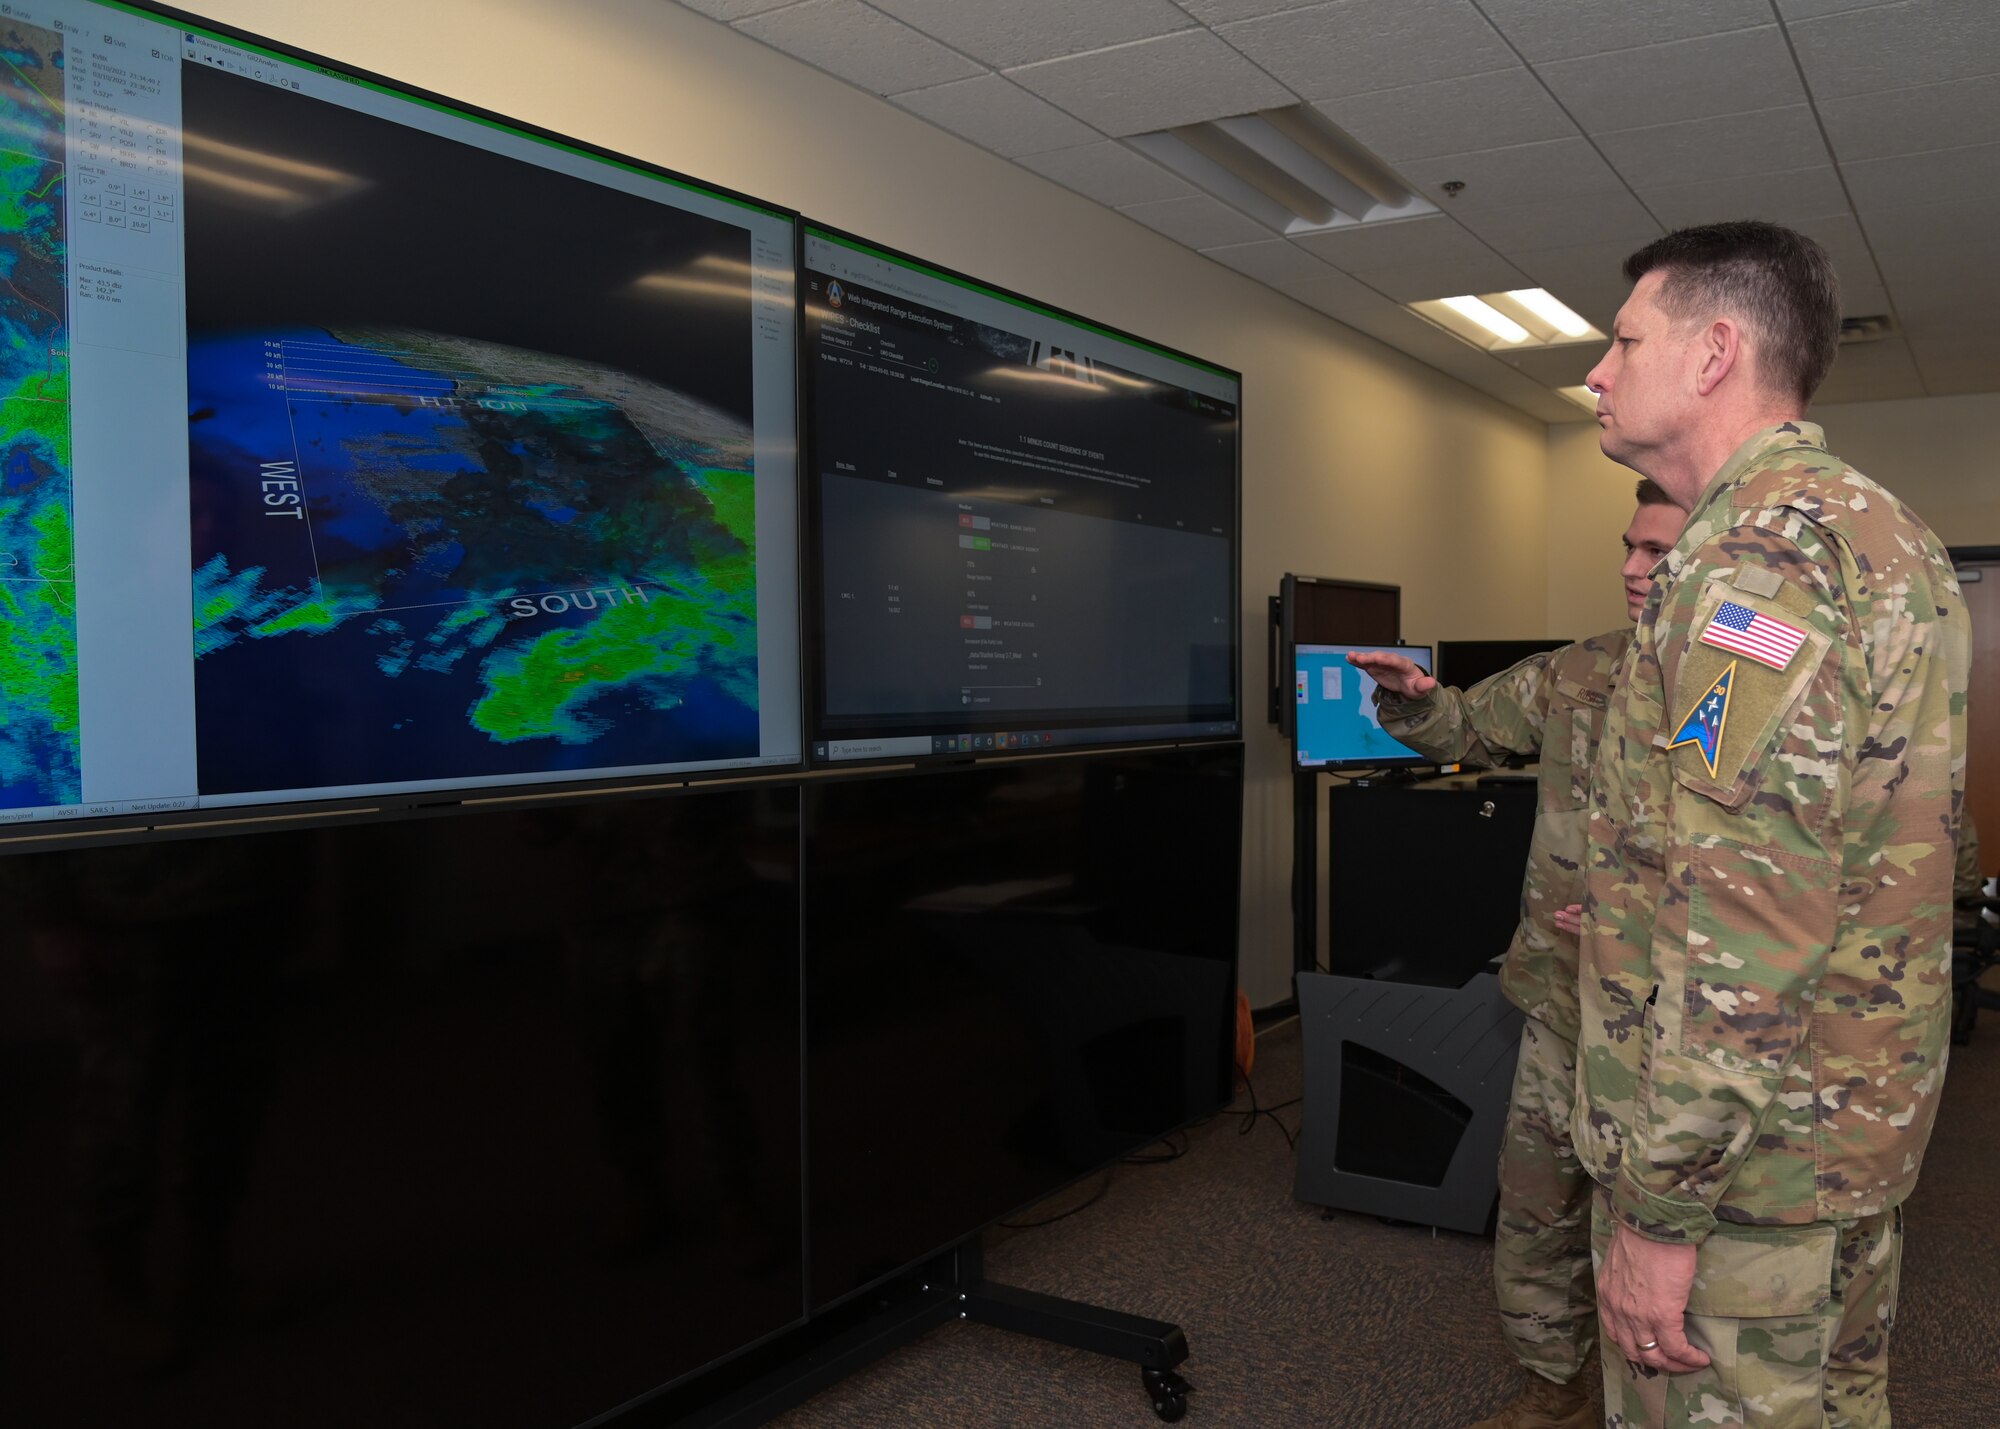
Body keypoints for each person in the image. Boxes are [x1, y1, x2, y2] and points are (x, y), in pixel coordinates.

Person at [1572, 221, 1969, 1428]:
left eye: (1623, 338)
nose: (1594, 370)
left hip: (1749, 1165)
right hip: (1835, 1128)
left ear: (1712, 353)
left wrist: (1660, 1209)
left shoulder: (1753, 562)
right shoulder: (1871, 528)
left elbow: (1743, 918)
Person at [1348, 480, 1682, 1429]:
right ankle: (1554, 1387)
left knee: (1648, 1233)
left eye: (1657, 552)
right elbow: (1469, 726)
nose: (1629, 568)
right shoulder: (1581, 672)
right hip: (1558, 998)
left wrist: (1643, 919)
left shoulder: (1756, 691)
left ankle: (1645, 1404)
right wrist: (1413, 702)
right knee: (1537, 1209)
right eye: (1629, 545)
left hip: (1674, 1028)